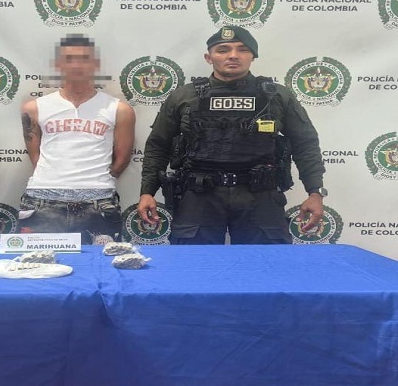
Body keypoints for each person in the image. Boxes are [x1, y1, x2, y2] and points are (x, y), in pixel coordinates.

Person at [137, 26, 326, 245]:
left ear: (253, 56)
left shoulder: (277, 96)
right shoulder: (184, 96)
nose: (233, 55)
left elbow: (305, 144)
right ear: (209, 57)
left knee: (264, 262)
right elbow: (158, 145)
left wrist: (315, 191)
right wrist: (147, 192)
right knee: (196, 262)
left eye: (242, 50)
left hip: (260, 196)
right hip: (199, 196)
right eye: (223, 50)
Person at [18, 34, 136, 244]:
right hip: (42, 200)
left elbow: (122, 159)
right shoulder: (34, 108)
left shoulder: (119, 109)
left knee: (103, 262)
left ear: (95, 64)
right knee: (36, 262)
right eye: (69, 59)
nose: (77, 65)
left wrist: (95, 183)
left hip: (98, 201)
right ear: (58, 65)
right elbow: (35, 156)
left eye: (84, 59)